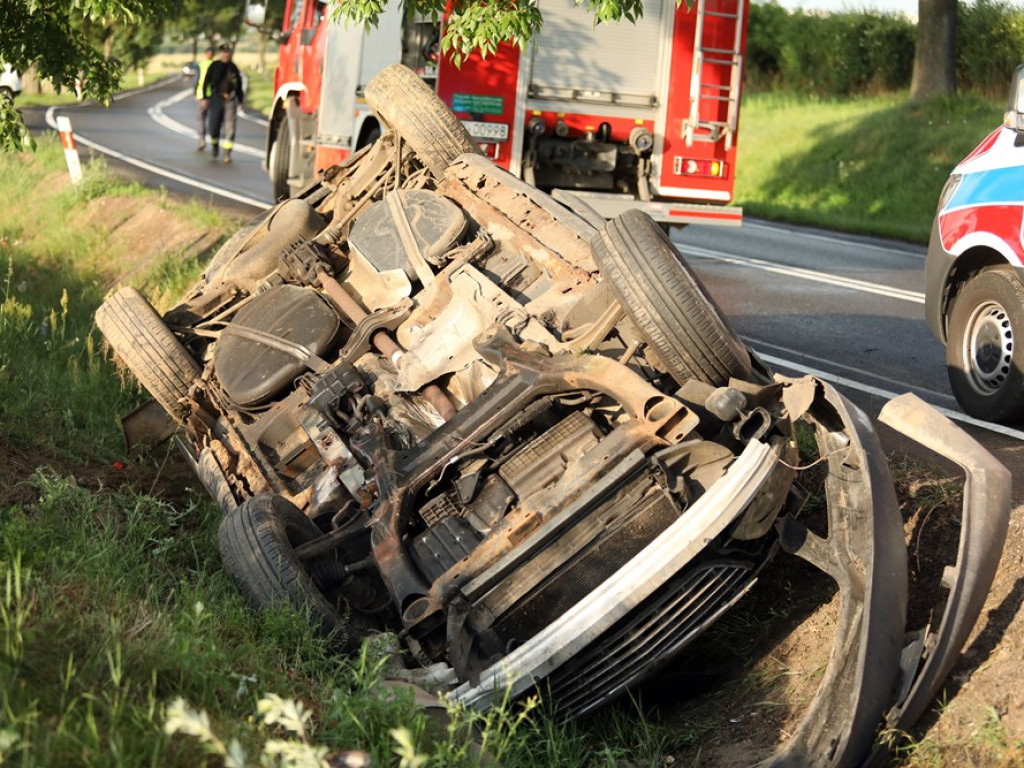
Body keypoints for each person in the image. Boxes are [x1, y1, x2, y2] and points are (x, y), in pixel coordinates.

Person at [202, 44, 245, 163]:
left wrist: (240, 100)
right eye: (223, 52)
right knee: (213, 126)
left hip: (230, 100)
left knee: (230, 127)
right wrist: (205, 98)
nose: (226, 54)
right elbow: (206, 82)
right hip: (216, 99)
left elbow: (239, 85)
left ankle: (227, 153)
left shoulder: (233, 67)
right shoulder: (214, 66)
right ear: (220, 53)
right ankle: (215, 146)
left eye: (228, 52)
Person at [194, 47, 214, 151]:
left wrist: (195, 93)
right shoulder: (216, 64)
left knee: (201, 118)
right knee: (211, 119)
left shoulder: (201, 64)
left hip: (202, 95)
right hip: (212, 96)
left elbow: (196, 80)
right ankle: (212, 139)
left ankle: (202, 139)